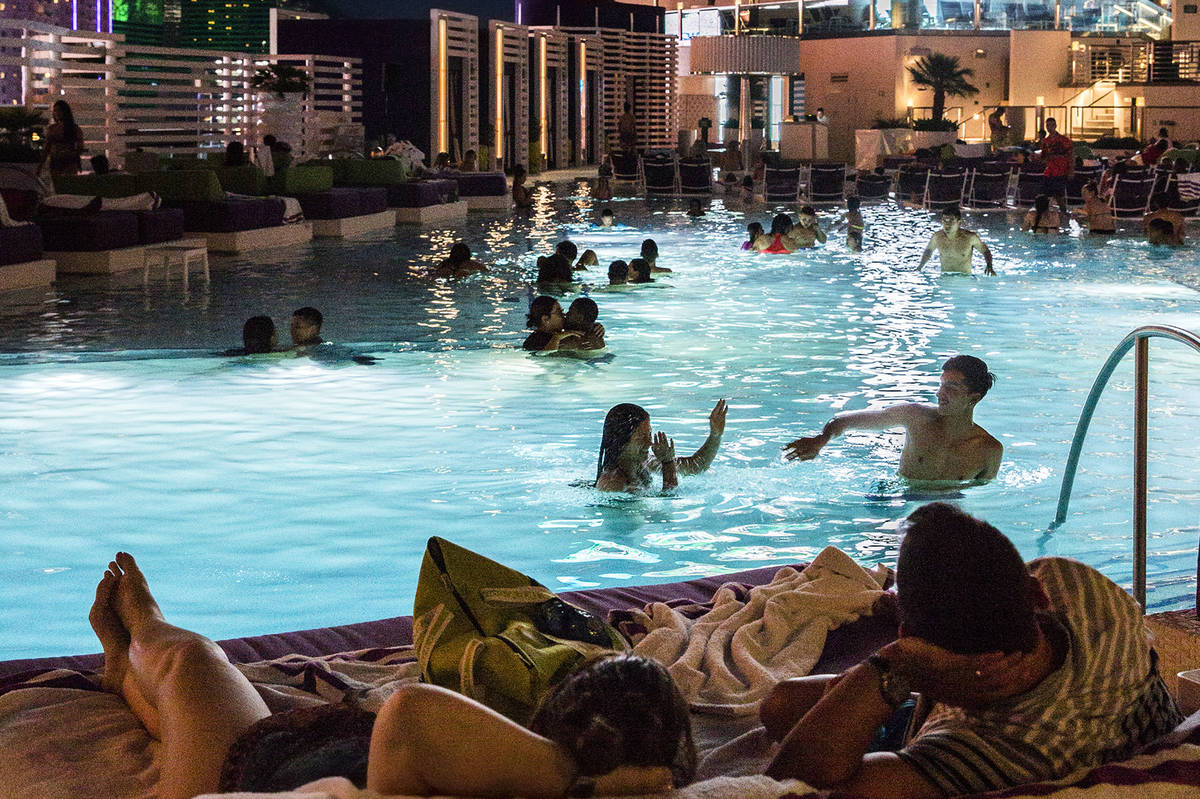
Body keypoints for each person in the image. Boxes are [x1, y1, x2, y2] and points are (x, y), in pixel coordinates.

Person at [86, 553, 697, 799]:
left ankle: (139, 632)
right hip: (304, 748)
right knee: (179, 706)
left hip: (249, 769)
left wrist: (589, 782)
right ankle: (124, 670)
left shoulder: (541, 776)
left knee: (190, 661)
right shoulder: (504, 762)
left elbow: (410, 713)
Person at [760, 503, 1182, 798]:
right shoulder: (1081, 590)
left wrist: (894, 665)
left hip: (987, 731)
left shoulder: (979, 750)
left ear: (908, 638)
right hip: (1093, 710)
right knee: (784, 701)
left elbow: (789, 788)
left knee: (781, 707)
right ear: (1037, 592)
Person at [783, 355, 1003, 483]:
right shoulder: (915, 416)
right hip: (898, 495)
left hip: (944, 509)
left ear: (973, 398)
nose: (939, 393)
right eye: (941, 384)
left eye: (952, 387)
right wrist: (822, 439)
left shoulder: (990, 450)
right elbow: (846, 421)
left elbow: (984, 493)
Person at [595, 399, 727, 492]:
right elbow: (667, 505)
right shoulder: (613, 483)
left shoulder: (646, 462)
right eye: (642, 437)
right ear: (621, 441)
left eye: (649, 435)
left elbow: (695, 467)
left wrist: (715, 435)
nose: (650, 443)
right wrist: (668, 463)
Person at [917, 206, 996, 276]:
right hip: (945, 277)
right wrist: (920, 267)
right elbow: (929, 250)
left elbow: (985, 251)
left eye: (951, 221)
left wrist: (989, 266)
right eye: (945, 220)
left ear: (959, 222)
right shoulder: (937, 237)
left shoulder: (970, 237)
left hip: (965, 277)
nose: (947, 224)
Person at [1039, 117, 1073, 216]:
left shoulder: (1064, 140)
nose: (1049, 128)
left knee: (1059, 195)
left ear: (1055, 126)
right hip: (1049, 171)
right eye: (1047, 125)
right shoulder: (1045, 141)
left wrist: (1071, 170)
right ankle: (1045, 214)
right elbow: (1043, 157)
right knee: (1045, 194)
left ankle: (1063, 213)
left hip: (1060, 170)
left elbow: (1070, 155)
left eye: (1051, 125)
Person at [43, 99, 85, 176]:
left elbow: (80, 147)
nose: (57, 113)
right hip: (55, 163)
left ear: (65, 112)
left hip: (69, 163)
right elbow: (47, 148)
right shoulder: (52, 129)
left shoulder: (74, 128)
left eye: (59, 110)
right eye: (55, 110)